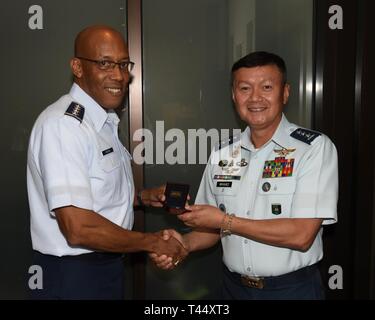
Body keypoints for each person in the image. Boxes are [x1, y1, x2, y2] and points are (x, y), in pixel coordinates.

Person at [151, 51, 338, 300]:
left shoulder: (313, 149)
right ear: (233, 95)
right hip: (233, 288)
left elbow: (301, 235)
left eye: (267, 87)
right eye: (245, 88)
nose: (255, 98)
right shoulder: (222, 153)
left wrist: (225, 221)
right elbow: (211, 227)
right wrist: (185, 245)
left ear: (285, 92)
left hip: (291, 291)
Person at [26, 25, 186, 300]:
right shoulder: (65, 126)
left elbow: (96, 196)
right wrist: (152, 242)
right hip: (74, 276)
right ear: (77, 67)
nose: (119, 75)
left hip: (102, 268)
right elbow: (78, 227)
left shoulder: (102, 121)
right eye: (105, 63)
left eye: (123, 64)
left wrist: (142, 198)